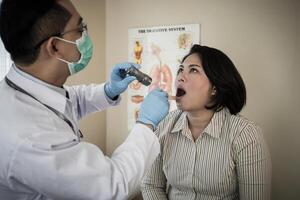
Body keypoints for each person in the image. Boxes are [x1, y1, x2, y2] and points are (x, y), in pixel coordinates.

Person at [0, 0, 170, 199]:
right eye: (80, 28)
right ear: (54, 46)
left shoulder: (28, 92)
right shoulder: (28, 135)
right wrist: (145, 124)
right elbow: (113, 186)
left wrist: (108, 90)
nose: (86, 35)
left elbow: (68, 101)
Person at [141, 44, 271, 200]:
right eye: (180, 70)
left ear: (214, 88)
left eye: (193, 70)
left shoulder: (245, 134)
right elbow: (150, 185)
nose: (180, 76)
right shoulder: (164, 123)